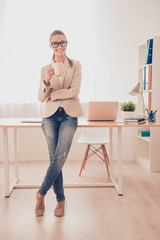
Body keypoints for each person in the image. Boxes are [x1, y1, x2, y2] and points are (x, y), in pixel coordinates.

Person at [35, 30, 83, 217]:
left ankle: (41, 193)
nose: (60, 46)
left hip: (69, 115)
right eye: (55, 43)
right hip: (50, 116)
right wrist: (46, 82)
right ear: (50, 46)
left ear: (67, 44)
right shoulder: (45, 69)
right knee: (54, 158)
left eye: (62, 42)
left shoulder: (76, 65)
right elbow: (40, 98)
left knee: (60, 157)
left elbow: (75, 90)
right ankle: (60, 200)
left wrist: (53, 94)